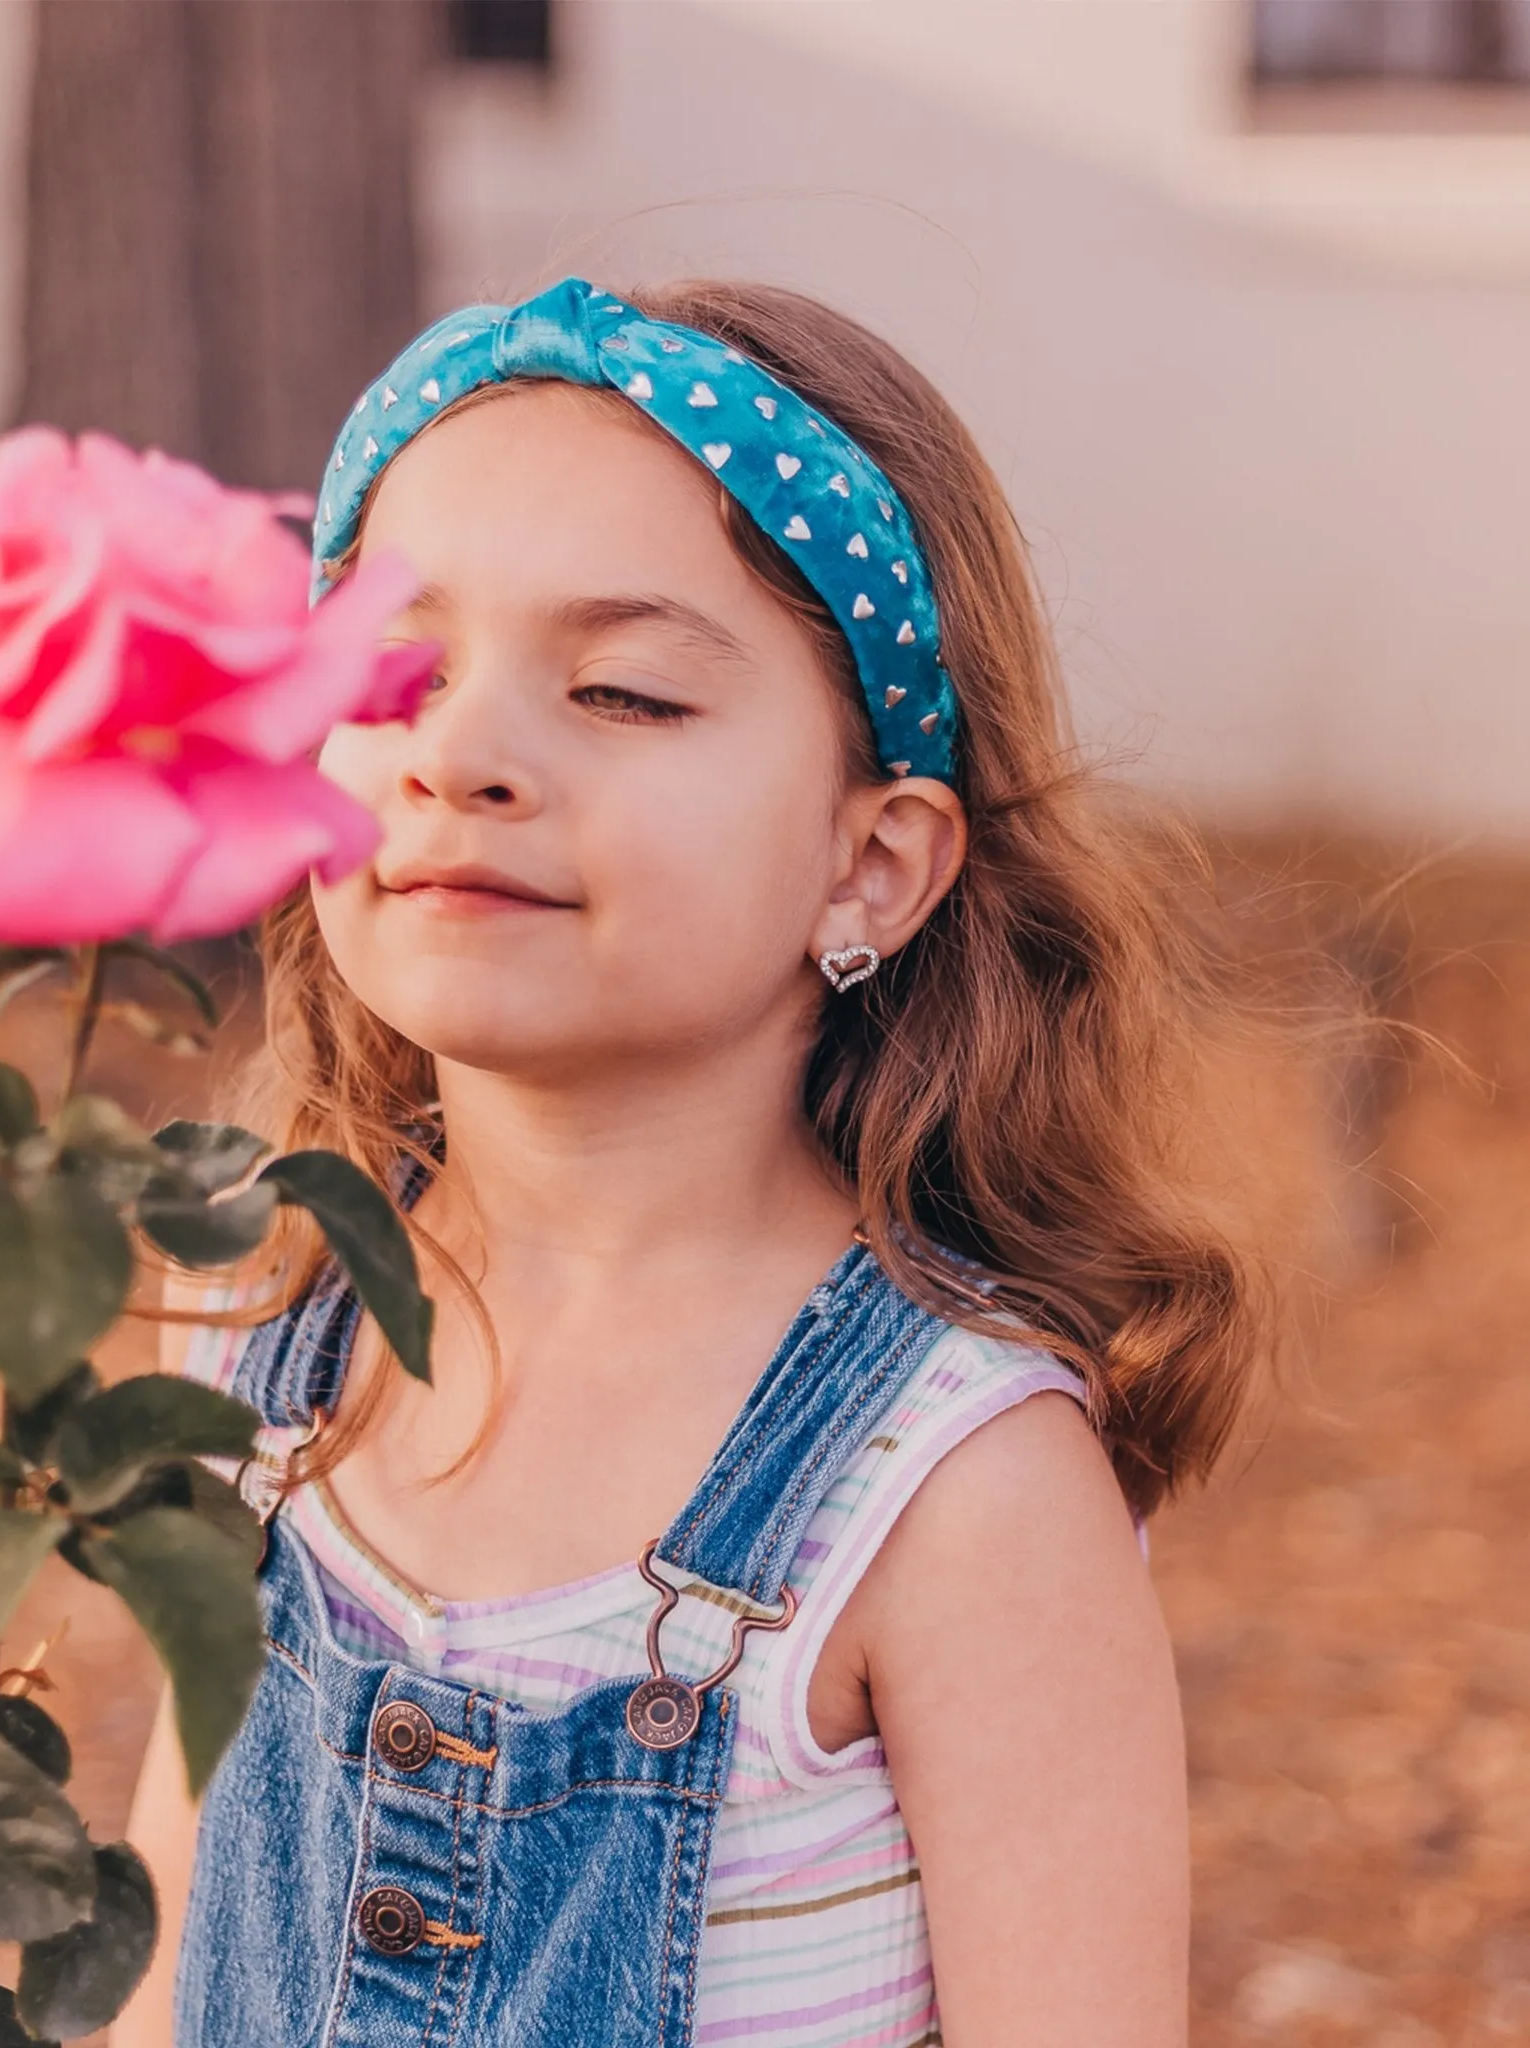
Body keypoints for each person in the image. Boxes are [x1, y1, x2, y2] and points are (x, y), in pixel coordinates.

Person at [118, 276, 1268, 2047]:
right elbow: (171, 1971)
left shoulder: (956, 1492)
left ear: (868, 865)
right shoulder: (255, 1323)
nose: (462, 754)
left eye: (625, 693)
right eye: (394, 671)